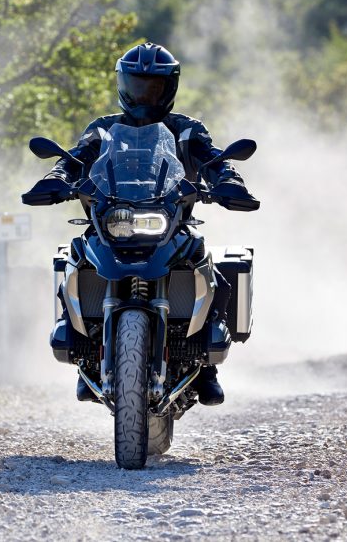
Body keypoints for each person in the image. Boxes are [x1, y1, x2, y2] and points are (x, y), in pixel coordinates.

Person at [23, 42, 258, 406]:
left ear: (169, 88)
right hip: (111, 218)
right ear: (122, 84)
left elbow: (214, 160)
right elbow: (75, 158)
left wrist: (229, 181)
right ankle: (87, 352)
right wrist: (56, 177)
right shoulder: (103, 130)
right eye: (136, 85)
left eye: (153, 87)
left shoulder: (186, 129)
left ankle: (207, 369)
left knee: (213, 272)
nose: (144, 94)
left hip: (170, 220)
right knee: (76, 258)